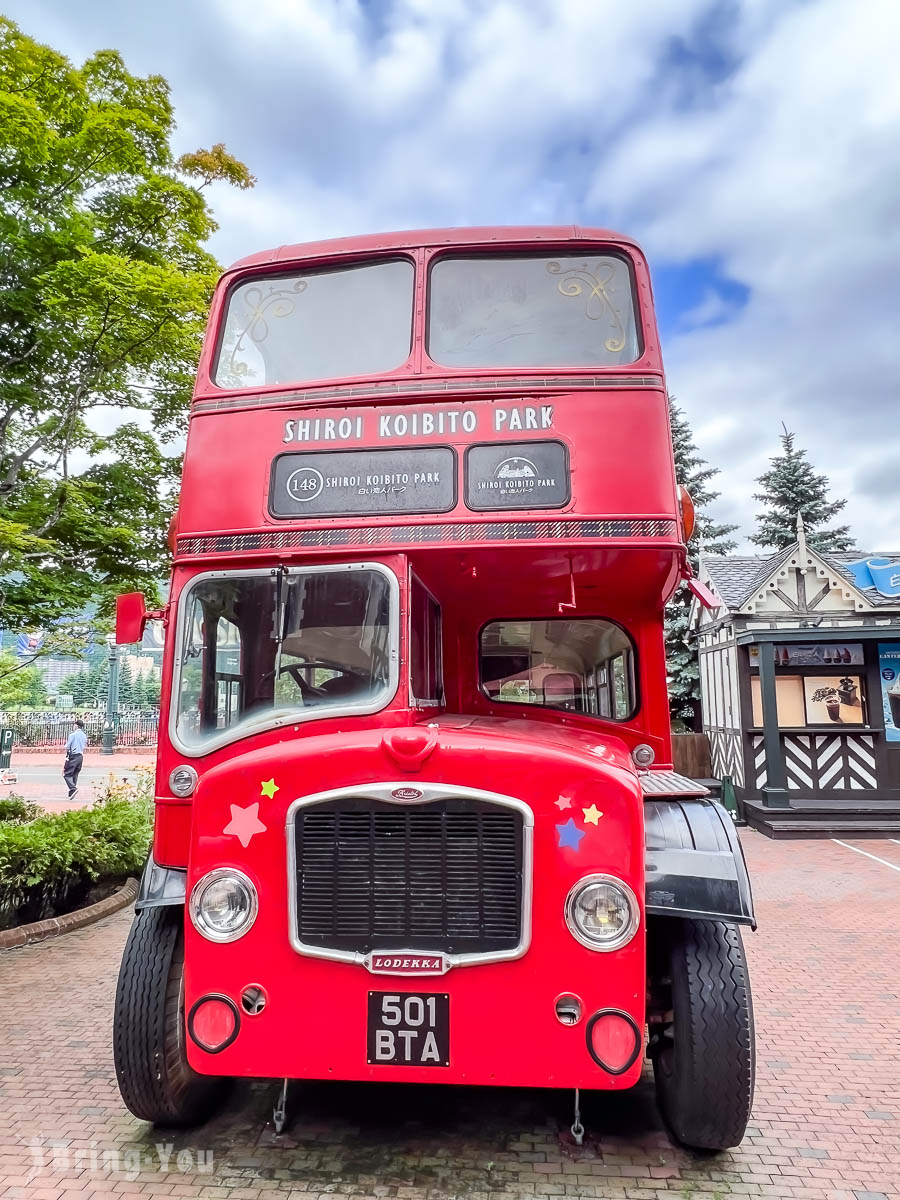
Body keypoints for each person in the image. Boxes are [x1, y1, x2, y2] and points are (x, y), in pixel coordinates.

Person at [63, 718, 87, 799]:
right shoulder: (84, 735)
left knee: (67, 774)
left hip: (73, 756)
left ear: (76, 725)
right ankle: (72, 791)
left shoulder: (73, 735)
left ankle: (73, 788)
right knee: (75, 774)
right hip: (80, 756)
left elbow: (67, 746)